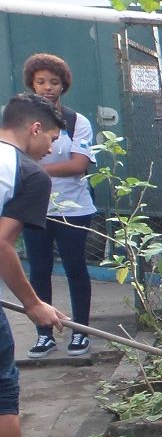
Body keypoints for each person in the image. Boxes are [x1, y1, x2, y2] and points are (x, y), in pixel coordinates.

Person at [0, 94, 68, 437]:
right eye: (53, 140)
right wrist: (33, 304)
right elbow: (0, 242)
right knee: (3, 395)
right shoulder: (26, 172)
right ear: (35, 128)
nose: (51, 151)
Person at [21, 54, 97, 358]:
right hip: (34, 207)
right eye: (41, 82)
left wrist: (35, 171)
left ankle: (81, 332)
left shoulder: (77, 121)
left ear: (63, 85)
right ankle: (44, 334)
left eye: (54, 82)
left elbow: (78, 165)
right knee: (38, 271)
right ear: (32, 84)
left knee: (76, 268)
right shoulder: (22, 122)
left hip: (74, 209)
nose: (47, 87)